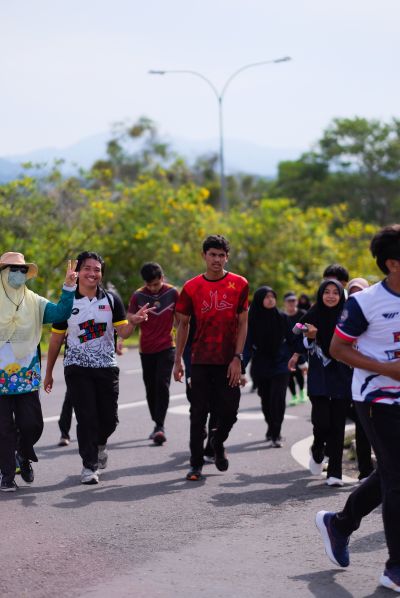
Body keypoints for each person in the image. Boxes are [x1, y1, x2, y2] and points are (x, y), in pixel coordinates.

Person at [316, 225, 400, 592]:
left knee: (391, 474)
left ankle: (339, 524)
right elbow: (338, 349)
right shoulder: (365, 303)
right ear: (392, 264)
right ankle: (395, 568)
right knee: (397, 478)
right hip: (376, 397)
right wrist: (387, 369)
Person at [44, 251, 151, 485]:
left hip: (106, 367)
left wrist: (133, 322)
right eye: (87, 269)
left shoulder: (111, 300)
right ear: (78, 272)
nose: (92, 273)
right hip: (77, 367)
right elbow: (55, 339)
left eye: (97, 269)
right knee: (86, 417)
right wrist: (49, 372)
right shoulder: (67, 302)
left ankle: (101, 444)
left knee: (110, 420)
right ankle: (89, 465)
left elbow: (123, 332)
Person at [173, 235, 249, 481]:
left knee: (230, 411)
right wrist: (178, 360)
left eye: (221, 255)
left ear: (227, 257)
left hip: (228, 361)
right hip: (200, 360)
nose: (217, 259)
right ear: (204, 256)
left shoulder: (239, 284)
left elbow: (243, 323)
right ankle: (195, 464)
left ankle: (217, 440)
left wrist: (238, 357)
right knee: (198, 414)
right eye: (212, 254)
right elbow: (183, 325)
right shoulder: (191, 287)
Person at [0, 252, 77, 492]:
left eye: (23, 270)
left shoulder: (34, 301)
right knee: (3, 430)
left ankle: (23, 455)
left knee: (32, 425)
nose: (19, 274)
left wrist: (68, 287)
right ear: (3, 272)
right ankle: (7, 475)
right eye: (13, 269)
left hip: (27, 377)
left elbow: (60, 313)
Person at [289, 279, 352, 486]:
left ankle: (335, 473)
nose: (331, 296)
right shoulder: (311, 315)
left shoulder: (348, 316)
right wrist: (309, 337)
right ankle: (317, 449)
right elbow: (295, 336)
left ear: (341, 296)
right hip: (320, 377)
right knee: (322, 423)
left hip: (343, 375)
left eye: (335, 292)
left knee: (338, 425)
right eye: (327, 292)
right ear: (321, 294)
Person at [128, 262, 178, 445]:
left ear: (162, 278)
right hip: (146, 348)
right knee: (150, 388)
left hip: (167, 346)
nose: (153, 288)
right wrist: (135, 318)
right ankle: (156, 422)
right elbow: (129, 318)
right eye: (149, 285)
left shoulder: (173, 293)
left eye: (156, 284)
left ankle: (160, 426)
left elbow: (181, 319)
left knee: (162, 384)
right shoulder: (138, 295)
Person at [246, 287, 293, 447]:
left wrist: (300, 360)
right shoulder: (251, 319)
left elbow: (293, 338)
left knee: (278, 399)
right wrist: (241, 366)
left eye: (272, 296)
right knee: (266, 400)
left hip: (281, 364)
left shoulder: (283, 317)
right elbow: (246, 345)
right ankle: (271, 426)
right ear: (260, 300)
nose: (270, 299)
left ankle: (276, 433)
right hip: (261, 365)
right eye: (266, 297)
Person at [346, 277, 374, 482]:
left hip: (378, 379)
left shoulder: (376, 315)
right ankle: (365, 470)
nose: (357, 296)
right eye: (352, 293)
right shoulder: (344, 316)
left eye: (360, 292)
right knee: (361, 425)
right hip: (350, 379)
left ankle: (371, 472)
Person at [283, 291, 307, 406]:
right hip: (287, 349)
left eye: (293, 300)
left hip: (301, 348)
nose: (291, 303)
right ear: (285, 303)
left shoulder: (303, 314)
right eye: (289, 301)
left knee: (299, 373)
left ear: (296, 302)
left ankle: (302, 392)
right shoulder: (282, 316)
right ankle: (293, 396)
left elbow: (307, 331)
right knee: (289, 374)